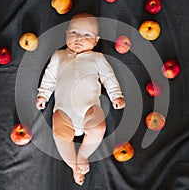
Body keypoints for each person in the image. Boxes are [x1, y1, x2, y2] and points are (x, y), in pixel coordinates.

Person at [36, 12, 125, 185]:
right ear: (66, 33)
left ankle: (83, 154)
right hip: (64, 111)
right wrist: (43, 94)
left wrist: (116, 95)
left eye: (86, 35)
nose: (79, 39)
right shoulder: (59, 56)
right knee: (59, 132)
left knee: (98, 127)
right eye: (74, 33)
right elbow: (50, 78)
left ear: (96, 40)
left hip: (89, 109)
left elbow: (108, 77)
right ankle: (74, 165)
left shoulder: (97, 58)